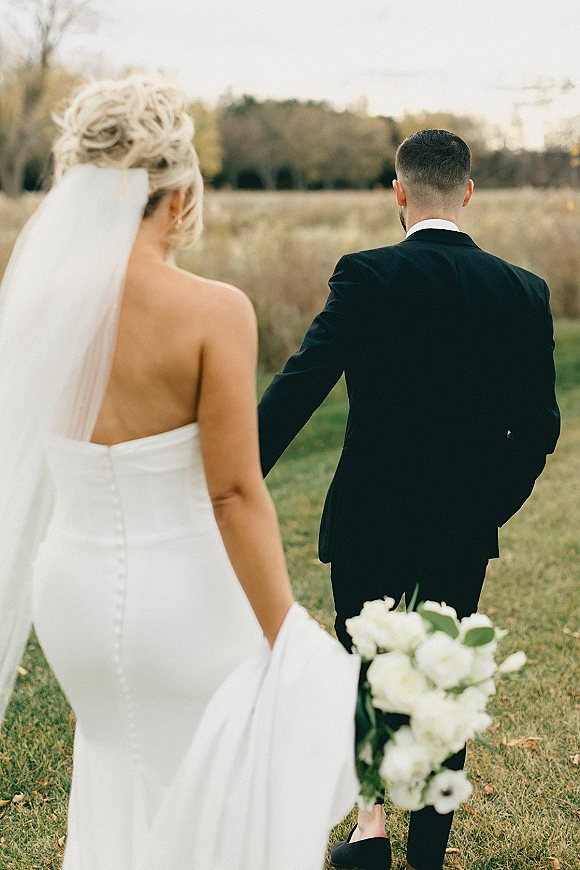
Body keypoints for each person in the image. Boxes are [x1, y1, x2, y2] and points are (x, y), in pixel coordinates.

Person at [0, 76, 360, 870]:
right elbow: (234, 492)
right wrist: (288, 639)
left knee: (117, 769)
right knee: (217, 799)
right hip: (184, 599)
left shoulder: (32, 307)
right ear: (177, 193)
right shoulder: (213, 309)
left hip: (75, 598)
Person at [258, 129, 560, 870]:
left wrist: (230, 473)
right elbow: (541, 429)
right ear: (467, 191)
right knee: (443, 677)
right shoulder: (522, 290)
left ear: (399, 192)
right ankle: (428, 851)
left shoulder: (367, 274)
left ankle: (368, 827)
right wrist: (490, 503)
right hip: (461, 526)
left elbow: (299, 388)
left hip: (366, 519)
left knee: (362, 663)